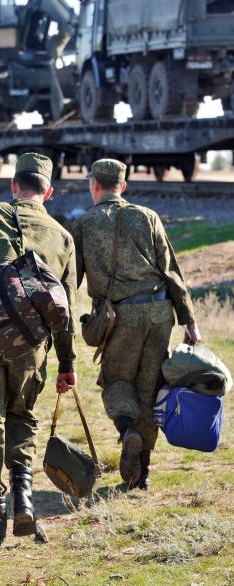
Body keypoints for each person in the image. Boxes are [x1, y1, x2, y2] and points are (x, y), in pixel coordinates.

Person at [0, 152, 78, 547]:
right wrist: (66, 364)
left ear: (13, 185)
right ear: (49, 192)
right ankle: (24, 498)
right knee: (22, 417)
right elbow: (66, 310)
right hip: (33, 348)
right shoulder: (62, 236)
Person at [72, 158, 201, 490]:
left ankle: (127, 430)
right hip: (160, 314)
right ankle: (141, 474)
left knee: (116, 381)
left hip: (120, 317)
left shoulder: (85, 223)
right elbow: (172, 271)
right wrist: (189, 321)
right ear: (123, 186)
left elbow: (72, 277)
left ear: (93, 185)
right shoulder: (148, 216)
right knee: (151, 389)